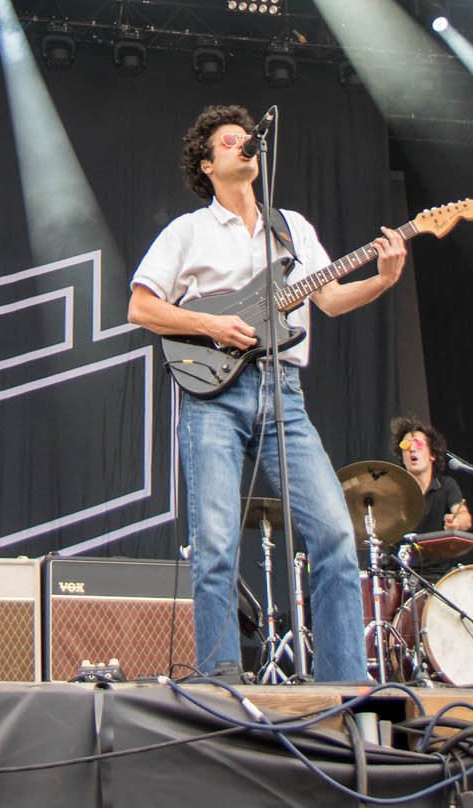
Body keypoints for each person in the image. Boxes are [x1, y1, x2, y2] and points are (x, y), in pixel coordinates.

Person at [127, 103, 407, 684]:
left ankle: (345, 685)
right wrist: (211, 325)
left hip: (285, 393)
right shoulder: (188, 231)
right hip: (212, 398)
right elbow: (141, 306)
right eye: (230, 141)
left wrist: (381, 279)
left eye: (247, 138)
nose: (244, 145)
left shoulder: (292, 227)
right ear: (206, 163)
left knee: (334, 531)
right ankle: (221, 679)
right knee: (216, 543)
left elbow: (326, 300)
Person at [392, 417, 473, 536]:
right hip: (404, 553)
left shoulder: (446, 485)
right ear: (402, 457)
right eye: (405, 445)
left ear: (432, 454)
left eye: (418, 443)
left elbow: (464, 517)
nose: (412, 449)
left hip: (440, 552)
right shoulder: (394, 490)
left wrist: (457, 522)